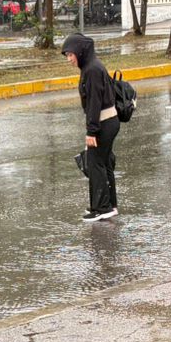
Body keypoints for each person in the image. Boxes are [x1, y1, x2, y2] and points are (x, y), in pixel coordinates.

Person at [62, 32, 119, 222]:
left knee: (95, 163)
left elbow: (94, 102)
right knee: (103, 163)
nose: (69, 59)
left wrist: (91, 131)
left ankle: (102, 208)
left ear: (80, 51)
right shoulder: (91, 66)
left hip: (103, 122)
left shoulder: (92, 70)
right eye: (67, 55)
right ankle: (107, 205)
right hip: (108, 121)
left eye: (71, 54)